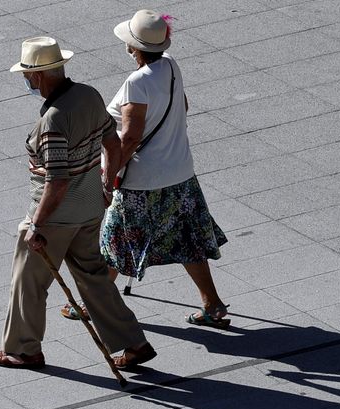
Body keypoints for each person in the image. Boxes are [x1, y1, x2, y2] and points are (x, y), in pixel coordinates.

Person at [0, 37, 156, 370]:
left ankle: (24, 349)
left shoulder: (52, 120)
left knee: (28, 282)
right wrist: (105, 186)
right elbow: (112, 143)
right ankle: (134, 342)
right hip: (90, 209)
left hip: (54, 218)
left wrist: (36, 225)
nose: (27, 80)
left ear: (39, 76)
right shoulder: (89, 95)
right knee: (94, 277)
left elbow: (57, 180)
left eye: (27, 74)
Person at [61, 10, 230, 329]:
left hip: (141, 182)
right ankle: (213, 304)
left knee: (114, 241)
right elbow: (183, 106)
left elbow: (130, 138)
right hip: (180, 172)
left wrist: (108, 178)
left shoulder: (137, 83)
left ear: (132, 47)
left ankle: (92, 303)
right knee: (187, 239)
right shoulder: (171, 65)